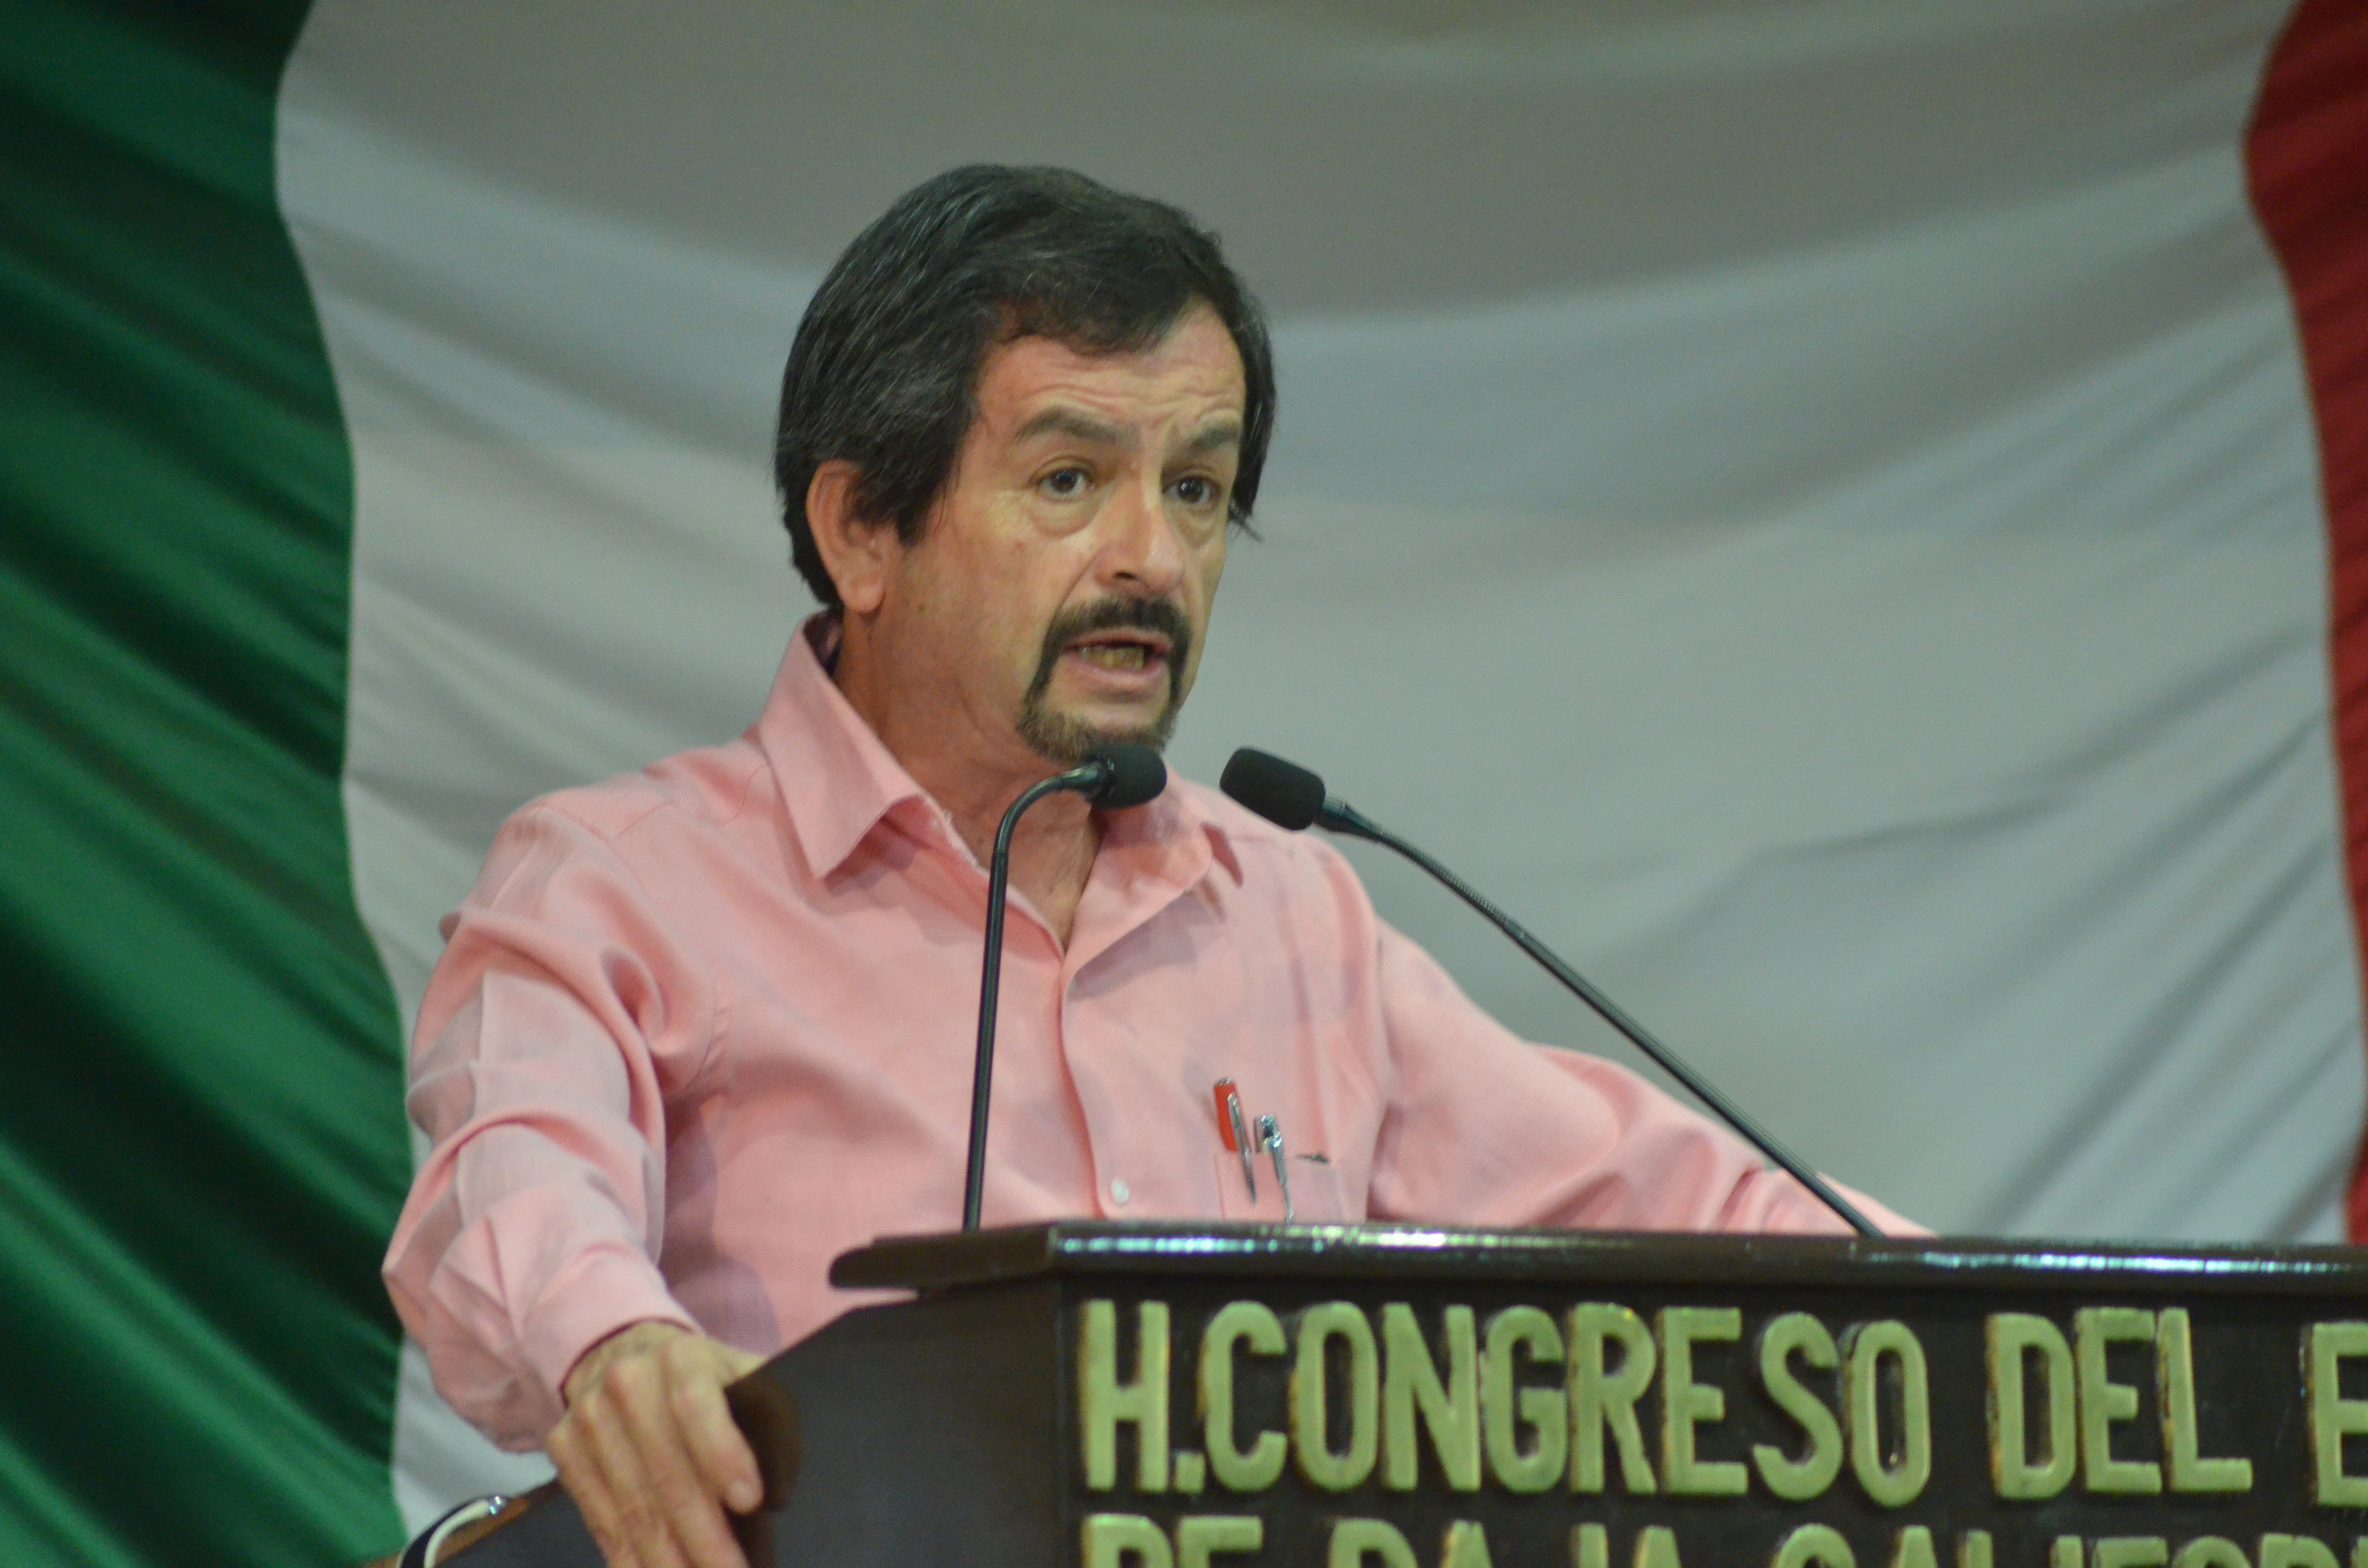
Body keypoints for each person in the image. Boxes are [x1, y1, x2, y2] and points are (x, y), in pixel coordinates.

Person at [384, 165, 1911, 1568]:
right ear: (862, 529)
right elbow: (508, 1183)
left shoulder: (1289, 914)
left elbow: (1678, 1207)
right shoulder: (621, 884)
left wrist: (1992, 1318)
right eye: (1069, 481)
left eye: (1195, 488)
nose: (1153, 562)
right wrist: (615, 1346)